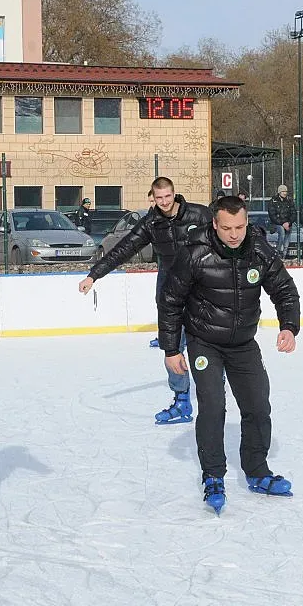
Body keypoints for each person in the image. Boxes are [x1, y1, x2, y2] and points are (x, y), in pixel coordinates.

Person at [159, 196, 300, 513]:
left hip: (242, 343)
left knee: (258, 405)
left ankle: (257, 471)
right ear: (214, 223)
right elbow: (170, 301)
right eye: (227, 228)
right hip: (204, 341)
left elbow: (284, 289)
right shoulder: (195, 251)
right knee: (212, 405)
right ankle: (213, 476)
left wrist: (289, 326)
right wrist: (170, 348)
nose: (234, 234)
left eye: (240, 227)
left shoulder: (258, 248)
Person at [79, 176, 212, 424]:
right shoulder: (151, 223)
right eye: (158, 197)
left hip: (201, 287)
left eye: (167, 196)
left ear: (174, 194)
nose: (164, 202)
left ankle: (214, 392)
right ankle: (181, 401)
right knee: (172, 349)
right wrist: (94, 275)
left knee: (205, 346)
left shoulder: (199, 215)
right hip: (170, 292)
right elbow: (123, 249)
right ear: (153, 197)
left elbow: (225, 236)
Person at [268, 184, 296, 258]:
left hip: (288, 223)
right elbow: (272, 215)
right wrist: (282, 223)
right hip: (278, 223)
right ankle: (278, 251)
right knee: (282, 233)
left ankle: (284, 254)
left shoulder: (290, 201)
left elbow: (293, 213)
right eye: (283, 191)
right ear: (279, 192)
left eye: (286, 191)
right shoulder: (273, 201)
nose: (285, 193)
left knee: (288, 236)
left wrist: (289, 223)